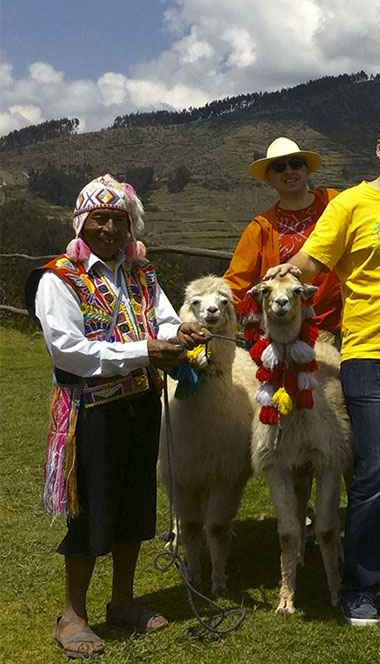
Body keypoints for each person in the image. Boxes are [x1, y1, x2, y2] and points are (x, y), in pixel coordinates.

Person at [266, 116, 380, 625]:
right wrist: (283, 277)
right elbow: (310, 262)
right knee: (376, 474)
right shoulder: (350, 204)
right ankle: (360, 584)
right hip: (371, 358)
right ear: (379, 149)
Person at [25, 174, 208, 658]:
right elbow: (70, 352)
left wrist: (180, 333)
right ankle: (72, 614)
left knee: (134, 505)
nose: (109, 228)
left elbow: (163, 317)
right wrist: (145, 351)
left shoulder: (140, 274)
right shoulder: (59, 278)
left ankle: (123, 600)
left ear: (131, 227)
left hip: (139, 403)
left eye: (119, 220)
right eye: (100, 218)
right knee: (91, 510)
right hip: (91, 412)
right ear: (82, 221)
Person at [225, 137, 343, 339]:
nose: (289, 171)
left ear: (307, 170)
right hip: (284, 332)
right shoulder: (261, 227)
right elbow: (236, 281)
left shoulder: (335, 202)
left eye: (296, 164)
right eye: (279, 167)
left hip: (339, 326)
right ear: (269, 178)